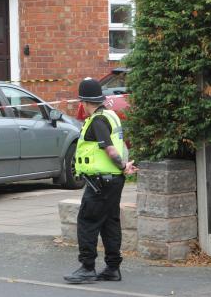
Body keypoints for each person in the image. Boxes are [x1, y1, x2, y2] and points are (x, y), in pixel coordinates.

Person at [63, 77, 137, 284]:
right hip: (112, 179)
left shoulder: (97, 121)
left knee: (87, 221)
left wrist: (122, 165)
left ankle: (87, 267)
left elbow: (109, 148)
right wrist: (123, 167)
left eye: (82, 103)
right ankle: (112, 268)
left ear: (85, 102)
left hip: (100, 182)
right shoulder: (111, 115)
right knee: (109, 223)